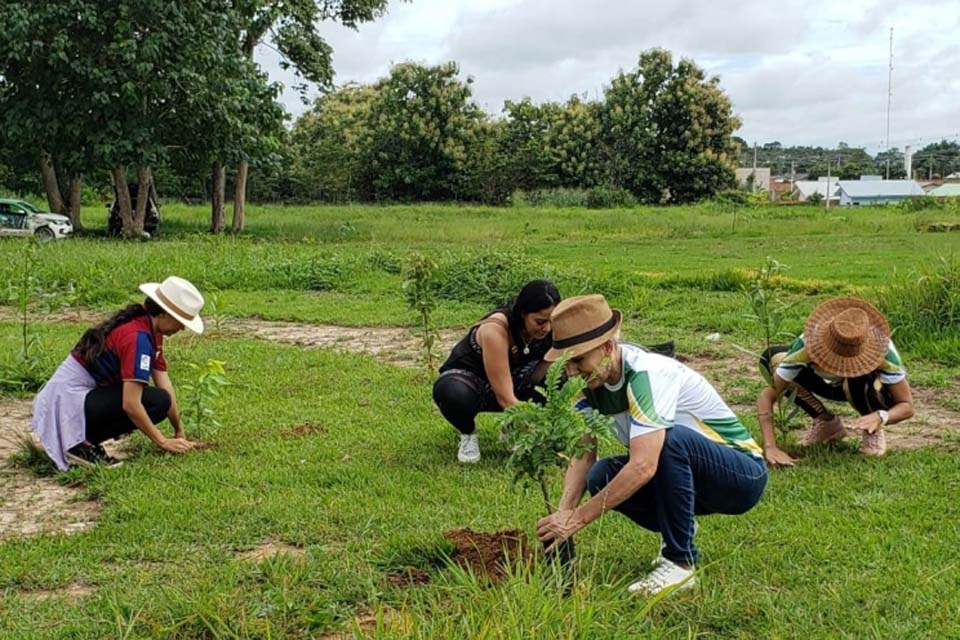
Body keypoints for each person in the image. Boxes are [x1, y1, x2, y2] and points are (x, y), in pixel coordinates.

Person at [535, 295, 767, 595]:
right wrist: (562, 517)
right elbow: (583, 457)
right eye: (567, 363)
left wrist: (578, 519)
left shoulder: (647, 374)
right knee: (601, 474)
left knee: (669, 441)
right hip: (687, 477)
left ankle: (679, 563)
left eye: (579, 360)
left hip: (741, 476)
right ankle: (680, 530)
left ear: (607, 347)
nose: (572, 370)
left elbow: (644, 465)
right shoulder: (587, 387)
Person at [32, 276, 206, 469]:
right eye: (181, 321)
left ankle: (80, 440)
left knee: (160, 399)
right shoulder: (138, 338)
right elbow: (130, 404)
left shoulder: (149, 328)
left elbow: (164, 382)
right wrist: (162, 441)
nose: (182, 328)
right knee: (154, 401)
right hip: (66, 403)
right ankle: (78, 444)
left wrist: (179, 432)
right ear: (164, 314)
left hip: (73, 399)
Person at [757, 297, 914, 466]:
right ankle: (826, 423)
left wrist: (881, 417)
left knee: (858, 378)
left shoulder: (884, 350)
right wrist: (770, 446)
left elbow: (906, 406)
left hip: (866, 388)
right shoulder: (807, 345)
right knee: (774, 359)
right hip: (823, 383)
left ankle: (871, 428)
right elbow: (767, 396)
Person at [433, 280, 560, 463]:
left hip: (514, 380)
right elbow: (505, 398)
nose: (546, 328)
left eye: (551, 321)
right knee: (454, 393)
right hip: (472, 382)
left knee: (560, 373)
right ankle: (468, 434)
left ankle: (510, 428)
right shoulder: (495, 329)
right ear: (523, 313)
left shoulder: (550, 328)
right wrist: (534, 431)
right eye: (540, 322)